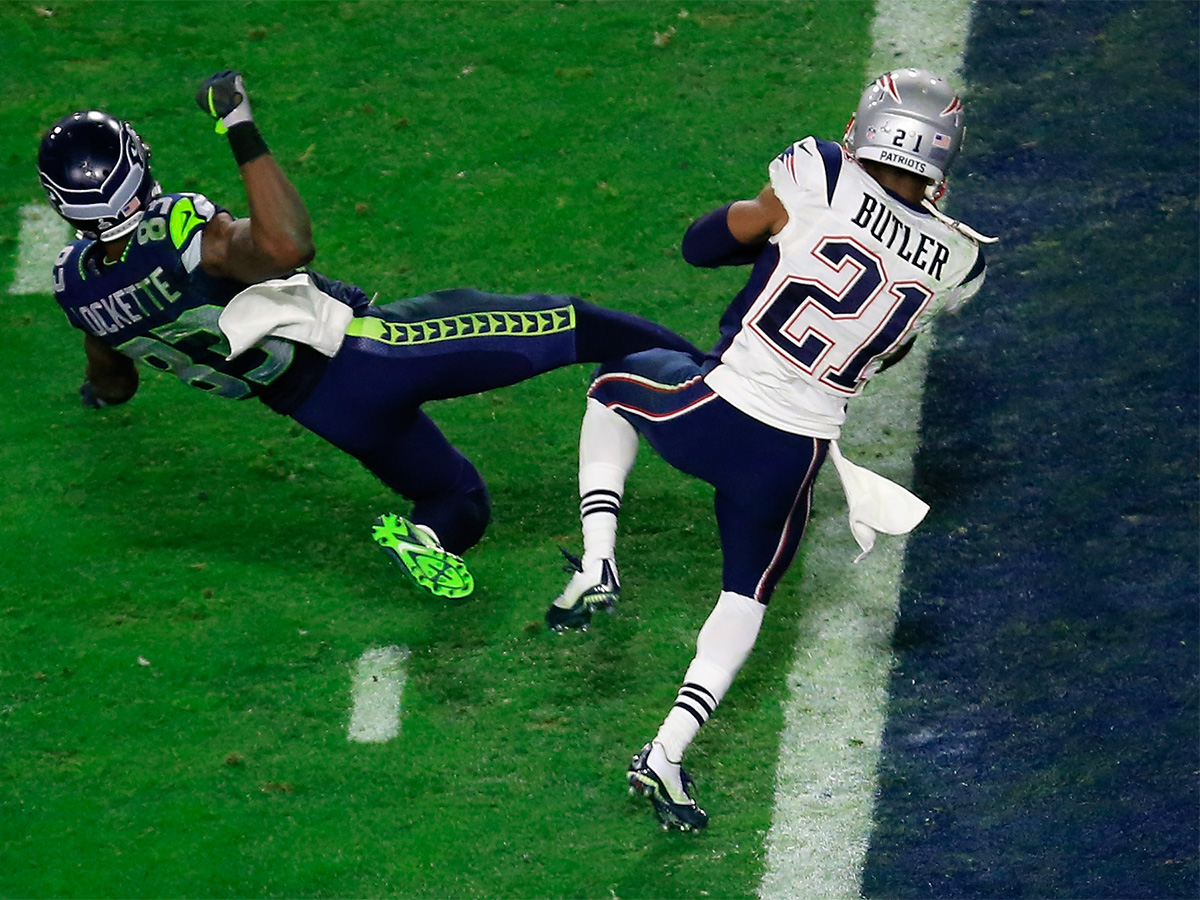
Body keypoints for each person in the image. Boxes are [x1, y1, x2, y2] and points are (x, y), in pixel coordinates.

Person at [37, 70, 699, 599]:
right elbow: (287, 245)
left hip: (318, 407)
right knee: (574, 323)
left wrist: (99, 395)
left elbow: (113, 379)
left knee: (455, 498)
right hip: (368, 349)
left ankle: (427, 539)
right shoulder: (186, 236)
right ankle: (724, 378)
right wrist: (237, 121)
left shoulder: (78, 290)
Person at [545, 68, 996, 831]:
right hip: (795, 456)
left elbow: (706, 243)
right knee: (744, 595)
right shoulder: (962, 263)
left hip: (716, 408)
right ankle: (668, 750)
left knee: (612, 387)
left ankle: (598, 559)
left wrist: (776, 234)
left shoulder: (819, 168)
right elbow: (886, 356)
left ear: (870, 126)